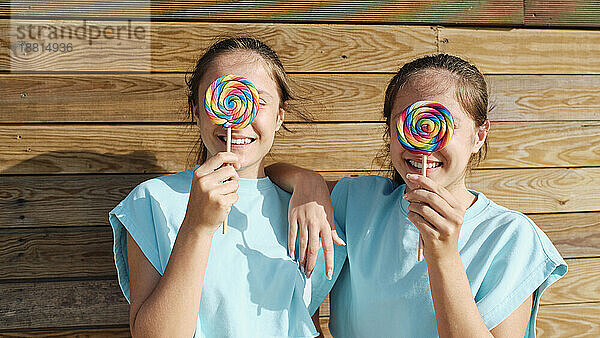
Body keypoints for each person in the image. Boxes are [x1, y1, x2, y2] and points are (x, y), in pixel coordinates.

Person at [268, 54, 567, 337]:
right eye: (409, 121)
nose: (422, 143)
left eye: (441, 123)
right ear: (390, 130)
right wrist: (308, 182)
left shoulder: (513, 238)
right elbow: (270, 174)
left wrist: (444, 255)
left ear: (479, 136)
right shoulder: (357, 201)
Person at [108, 37, 339, 337]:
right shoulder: (152, 201)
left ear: (280, 115)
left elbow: (306, 322)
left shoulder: (306, 208)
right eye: (222, 99)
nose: (237, 120)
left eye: (259, 101)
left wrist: (311, 180)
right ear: (197, 111)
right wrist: (198, 225)